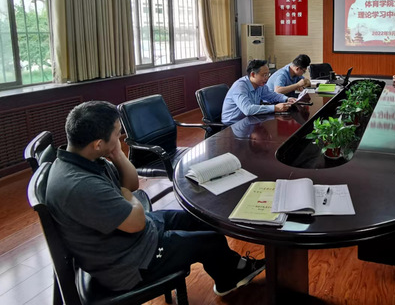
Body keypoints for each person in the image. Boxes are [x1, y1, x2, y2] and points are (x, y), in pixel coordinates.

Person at [45, 101, 265, 296]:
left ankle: (233, 269)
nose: (120, 138)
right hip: (129, 262)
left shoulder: (84, 157)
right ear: (98, 144)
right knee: (209, 242)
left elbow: (131, 184)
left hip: (132, 238)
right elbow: (135, 219)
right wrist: (126, 195)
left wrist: (117, 154)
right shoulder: (80, 185)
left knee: (203, 221)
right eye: (117, 134)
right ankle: (230, 278)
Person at [222, 59, 296, 124]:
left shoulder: (260, 84)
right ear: (253, 74)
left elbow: (272, 95)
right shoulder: (240, 87)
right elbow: (248, 110)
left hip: (249, 120)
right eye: (264, 75)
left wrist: (287, 99)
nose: (267, 78)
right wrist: (275, 108)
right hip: (232, 125)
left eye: (268, 74)